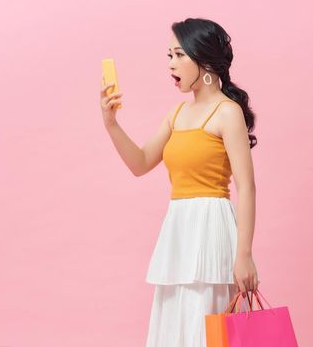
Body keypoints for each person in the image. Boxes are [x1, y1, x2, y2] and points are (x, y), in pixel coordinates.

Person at [100, 18, 260, 347]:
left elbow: (246, 187)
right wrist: (111, 124)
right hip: (179, 230)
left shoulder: (227, 113)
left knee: (209, 330)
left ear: (203, 60)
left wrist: (244, 254)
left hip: (212, 231)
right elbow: (141, 163)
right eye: (169, 55)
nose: (170, 63)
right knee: (176, 329)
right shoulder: (176, 115)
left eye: (178, 55)